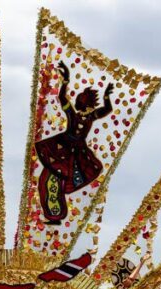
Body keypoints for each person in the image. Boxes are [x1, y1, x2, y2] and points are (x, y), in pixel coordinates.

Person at [34, 61, 113, 224]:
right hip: (60, 148)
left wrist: (107, 96)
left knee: (55, 182)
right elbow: (62, 97)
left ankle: (55, 215)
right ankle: (54, 215)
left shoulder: (90, 116)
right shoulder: (73, 114)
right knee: (47, 180)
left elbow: (107, 109)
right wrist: (65, 80)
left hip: (75, 154)